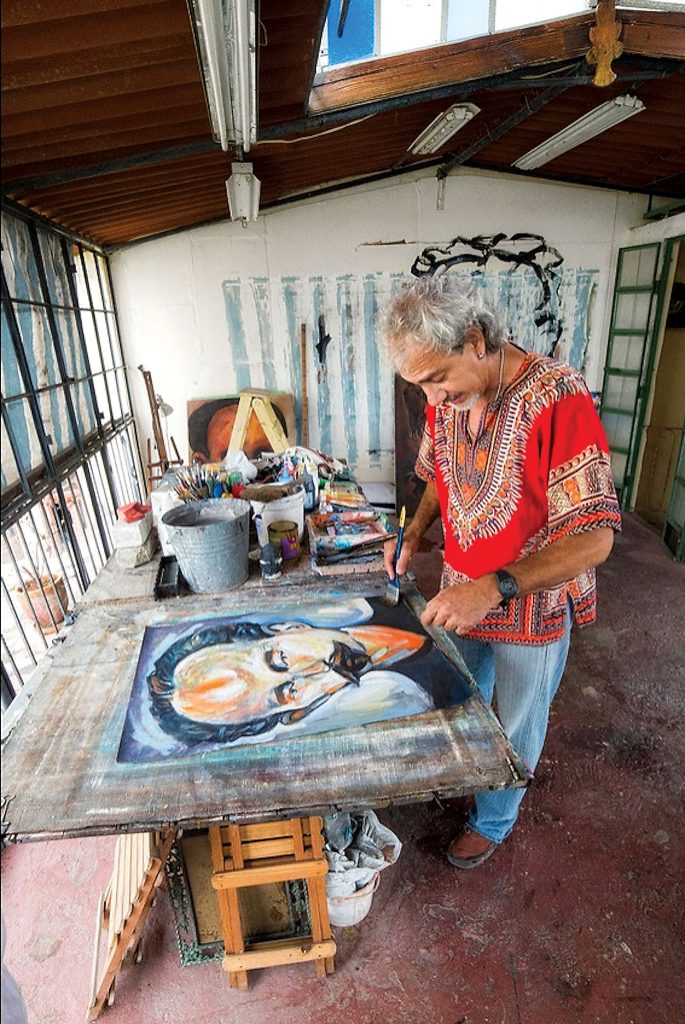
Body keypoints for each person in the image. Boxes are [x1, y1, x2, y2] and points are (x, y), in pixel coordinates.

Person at [381, 277, 621, 869]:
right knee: (462, 695)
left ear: (476, 341)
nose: (432, 401)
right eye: (420, 387)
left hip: (528, 605)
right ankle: (468, 776)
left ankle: (494, 819)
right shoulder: (450, 404)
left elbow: (595, 538)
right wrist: (413, 532)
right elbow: (439, 473)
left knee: (515, 721)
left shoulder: (557, 396)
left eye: (437, 380)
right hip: (460, 592)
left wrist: (493, 587)